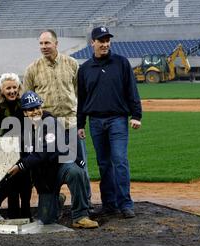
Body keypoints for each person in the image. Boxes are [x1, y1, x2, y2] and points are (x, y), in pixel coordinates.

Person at [23, 29, 93, 211]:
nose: (44, 47)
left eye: (47, 43)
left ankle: (85, 205)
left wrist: (80, 122)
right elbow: (27, 99)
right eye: (41, 43)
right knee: (47, 169)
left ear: (56, 43)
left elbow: (80, 94)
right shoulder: (32, 69)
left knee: (79, 167)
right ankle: (53, 200)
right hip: (47, 131)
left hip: (70, 126)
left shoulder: (71, 64)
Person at [77, 26, 142, 219]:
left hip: (117, 120)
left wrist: (136, 115)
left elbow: (132, 90)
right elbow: (81, 99)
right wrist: (81, 124)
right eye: (100, 41)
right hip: (95, 121)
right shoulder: (85, 69)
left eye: (107, 41)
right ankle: (109, 204)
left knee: (120, 161)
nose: (105, 44)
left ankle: (125, 203)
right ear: (92, 43)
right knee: (104, 164)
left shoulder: (121, 63)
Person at [8, 91, 98, 229]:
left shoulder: (50, 122)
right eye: (31, 109)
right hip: (45, 177)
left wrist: (21, 166)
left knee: (76, 172)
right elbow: (23, 154)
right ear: (25, 112)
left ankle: (80, 216)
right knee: (47, 221)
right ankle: (58, 200)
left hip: (61, 165)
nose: (35, 111)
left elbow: (44, 152)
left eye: (37, 107)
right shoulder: (23, 129)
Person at [0, 73, 33, 219]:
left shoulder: (23, 103)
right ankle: (11, 213)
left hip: (24, 147)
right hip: (5, 149)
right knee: (13, 180)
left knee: (25, 180)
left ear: (19, 87)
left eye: (14, 87)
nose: (12, 91)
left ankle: (25, 211)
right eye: (8, 88)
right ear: (1, 90)